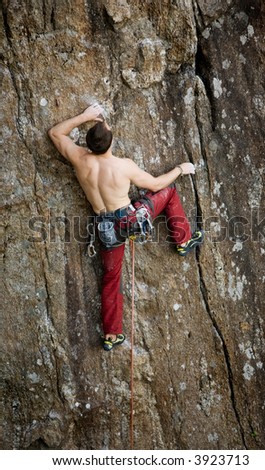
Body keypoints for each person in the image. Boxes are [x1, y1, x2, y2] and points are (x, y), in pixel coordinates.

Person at [48, 103, 204, 351]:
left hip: (105, 229)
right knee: (169, 192)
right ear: (110, 142)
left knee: (111, 279)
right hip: (129, 221)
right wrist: (180, 169)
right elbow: (156, 184)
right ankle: (183, 240)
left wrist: (84, 116)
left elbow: (55, 133)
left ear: (89, 144)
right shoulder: (123, 165)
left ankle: (112, 335)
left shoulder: (79, 159)